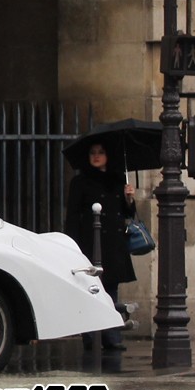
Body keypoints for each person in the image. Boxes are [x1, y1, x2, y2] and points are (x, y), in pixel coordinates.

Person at [66, 142, 136, 350]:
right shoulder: (80, 182)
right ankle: (91, 336)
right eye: (93, 152)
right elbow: (72, 216)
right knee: (91, 289)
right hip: (90, 243)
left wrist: (129, 199)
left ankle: (112, 336)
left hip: (113, 244)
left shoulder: (117, 180)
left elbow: (127, 214)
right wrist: (72, 245)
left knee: (111, 290)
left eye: (101, 152)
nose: (96, 156)